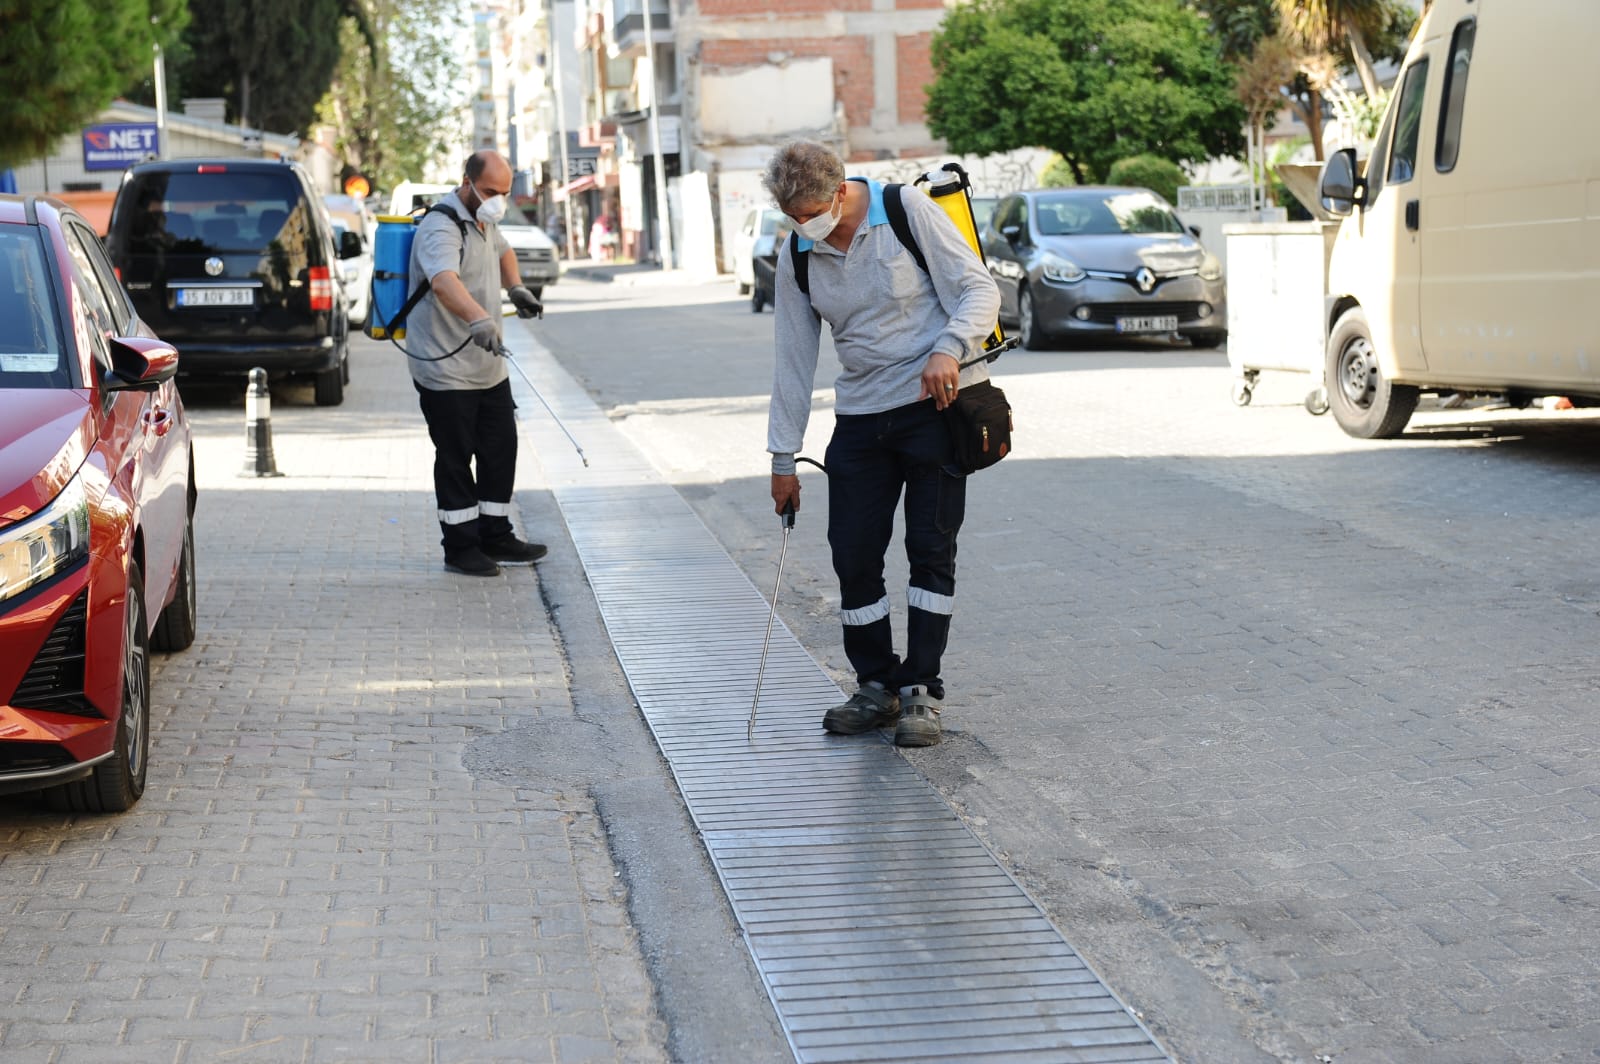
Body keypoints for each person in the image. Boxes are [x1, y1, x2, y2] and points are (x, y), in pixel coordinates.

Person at [763, 140, 1001, 747]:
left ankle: (922, 689)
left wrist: (948, 348)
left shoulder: (904, 212)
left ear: (841, 192)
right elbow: (793, 358)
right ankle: (876, 685)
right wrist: (783, 458)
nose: (804, 225)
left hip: (934, 409)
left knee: (930, 549)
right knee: (853, 552)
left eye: (812, 212)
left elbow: (980, 290)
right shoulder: (798, 253)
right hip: (862, 419)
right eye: (792, 218)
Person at [406, 149, 548, 577]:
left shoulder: (484, 219)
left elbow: (503, 251)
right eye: (490, 192)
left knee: (500, 450)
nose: (497, 201)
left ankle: (496, 535)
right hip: (444, 367)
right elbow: (444, 283)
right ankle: (461, 549)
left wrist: (517, 288)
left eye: (504, 193)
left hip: (488, 367)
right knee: (455, 458)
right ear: (465, 182)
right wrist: (479, 319)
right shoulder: (440, 225)